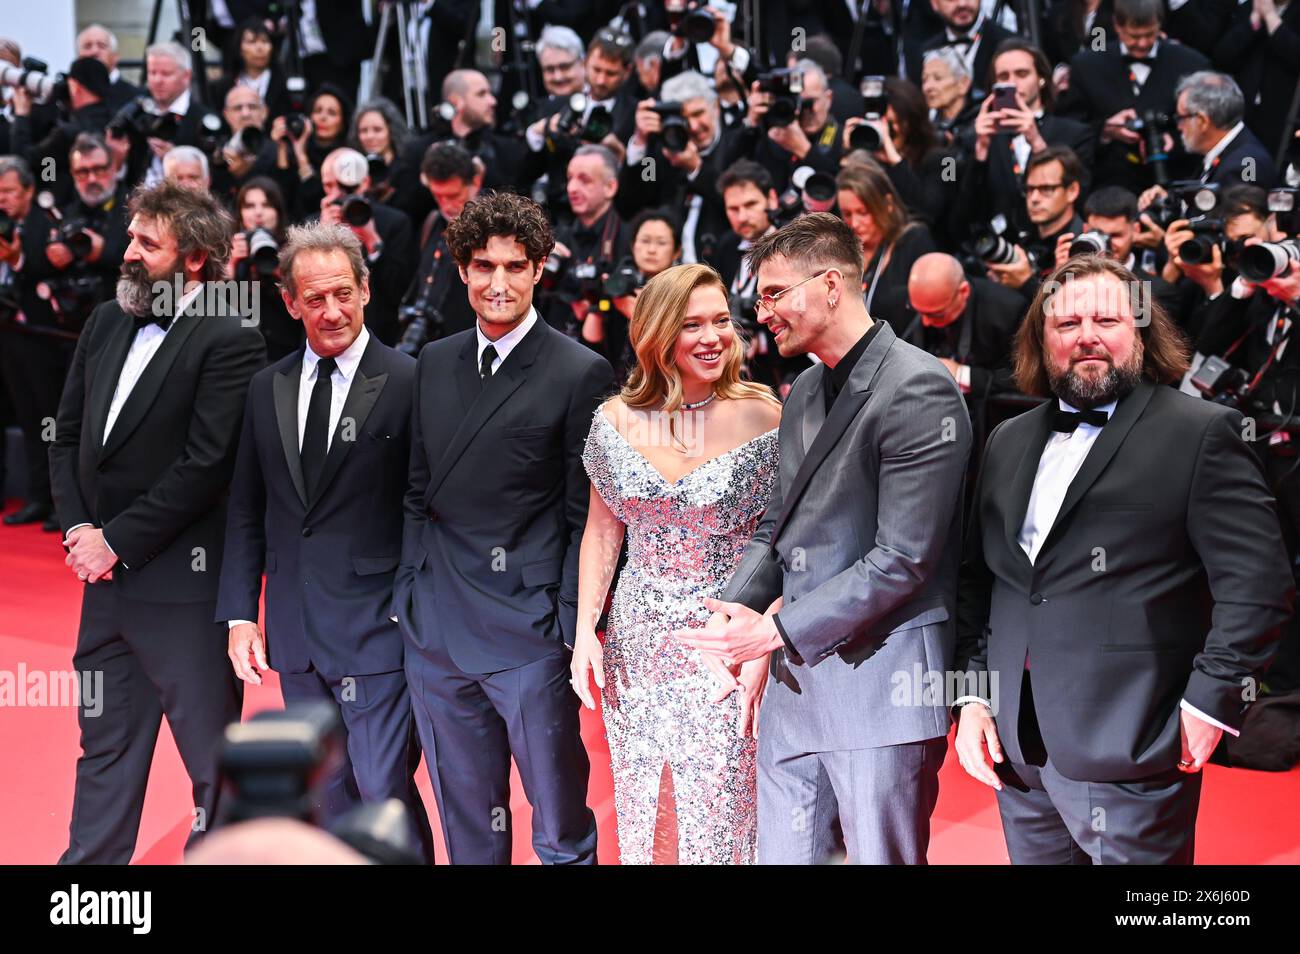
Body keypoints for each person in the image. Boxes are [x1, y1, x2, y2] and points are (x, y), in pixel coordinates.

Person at [953, 255, 1293, 863]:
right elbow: (985, 584)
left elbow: (1258, 584)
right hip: (1017, 754)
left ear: (1139, 331)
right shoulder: (1008, 438)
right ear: (1041, 340)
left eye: (1107, 319)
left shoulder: (1203, 433)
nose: (1087, 335)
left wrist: (1208, 704)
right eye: (1066, 324)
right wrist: (973, 698)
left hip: (1137, 745)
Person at [673, 213, 973, 864]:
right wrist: (735, 610)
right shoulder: (806, 388)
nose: (762, 309)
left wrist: (774, 632)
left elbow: (903, 560)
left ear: (832, 285)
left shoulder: (919, 387)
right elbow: (781, 520)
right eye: (760, 296)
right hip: (796, 685)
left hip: (882, 684)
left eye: (776, 292)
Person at [394, 191, 615, 864]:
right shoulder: (433, 361)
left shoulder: (581, 371)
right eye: (483, 266)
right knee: (469, 828)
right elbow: (416, 489)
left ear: (540, 268)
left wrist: (572, 629)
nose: (498, 283)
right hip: (438, 631)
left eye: (515, 267)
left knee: (559, 827)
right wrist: (411, 593)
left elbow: (588, 518)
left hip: (528, 636)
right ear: (461, 268)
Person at [49, 180, 265, 864]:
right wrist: (82, 532)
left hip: (185, 593)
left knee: (213, 771)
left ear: (195, 259)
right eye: (130, 237)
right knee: (103, 751)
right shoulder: (110, 318)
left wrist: (116, 541)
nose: (129, 253)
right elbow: (67, 436)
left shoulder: (231, 335)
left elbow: (206, 466)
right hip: (104, 588)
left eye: (148, 243)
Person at [217, 221, 434, 863]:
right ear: (290, 302)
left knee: (381, 791)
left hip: (378, 629)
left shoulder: (407, 380)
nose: (331, 311)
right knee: (327, 792)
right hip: (295, 631)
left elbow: (425, 509)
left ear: (366, 290)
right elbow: (246, 509)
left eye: (343, 292)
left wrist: (412, 608)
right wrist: (239, 613)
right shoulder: (267, 387)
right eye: (315, 298)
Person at [572, 262, 782, 864]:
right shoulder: (614, 421)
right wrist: (587, 630)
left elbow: (782, 538)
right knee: (645, 801)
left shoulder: (763, 415)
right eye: (693, 324)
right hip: (636, 644)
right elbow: (602, 530)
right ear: (659, 335)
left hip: (724, 638)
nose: (713, 336)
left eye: (722, 320)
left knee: (721, 808)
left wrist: (762, 637)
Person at [0, 155, 61, 530]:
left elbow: (52, 266)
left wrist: (19, 258)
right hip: (9, 336)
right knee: (26, 417)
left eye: (8, 191)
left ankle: (60, 502)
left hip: (43, 338)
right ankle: (38, 496)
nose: (2, 199)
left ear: (28, 191)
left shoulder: (44, 224)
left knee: (51, 422)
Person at [836, 159, 938, 331]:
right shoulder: (842, 253)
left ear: (887, 204)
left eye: (863, 212)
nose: (855, 223)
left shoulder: (913, 239)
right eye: (847, 214)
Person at [228, 177, 301, 362]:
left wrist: (281, 271)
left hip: (286, 354)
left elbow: (301, 311)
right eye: (250, 206)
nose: (258, 213)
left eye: (267, 205)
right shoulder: (227, 248)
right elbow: (213, 311)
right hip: (238, 354)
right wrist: (231, 267)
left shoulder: (297, 250)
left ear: (278, 211)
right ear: (240, 213)